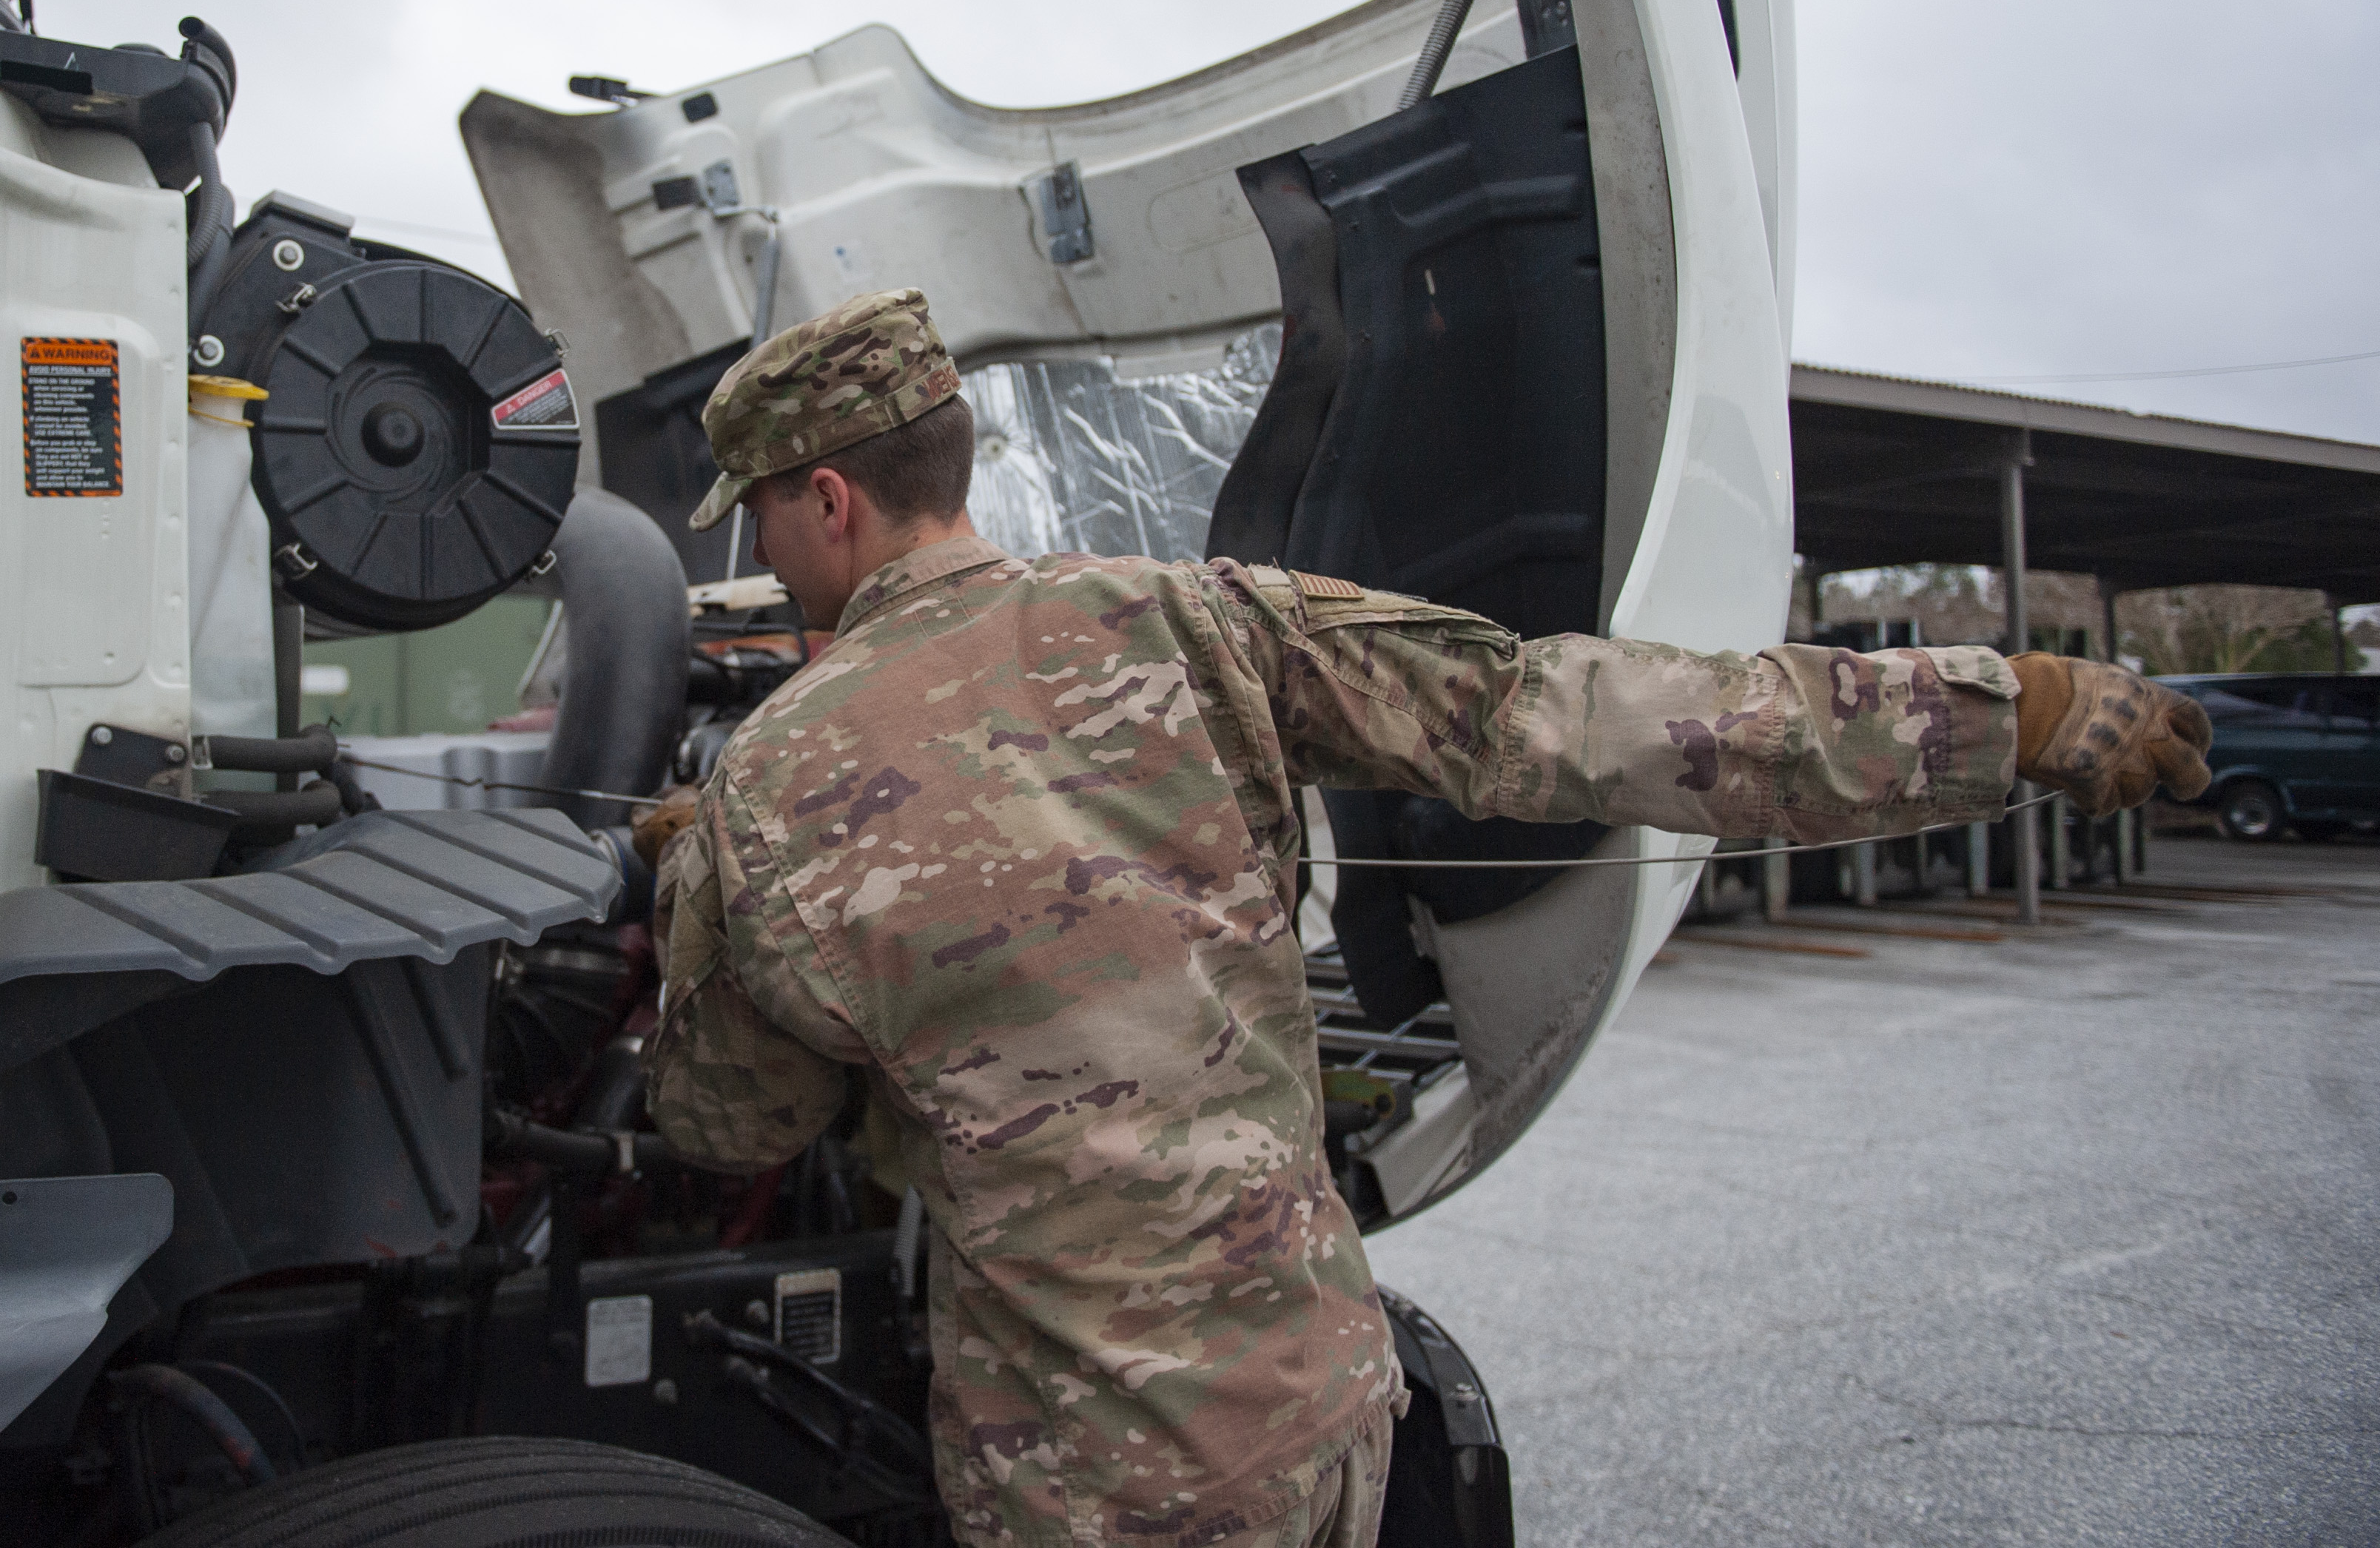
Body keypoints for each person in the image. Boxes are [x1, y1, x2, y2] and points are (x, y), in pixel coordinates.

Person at [636, 288, 2213, 1548]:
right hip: (1332, 1409)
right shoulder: (1199, 617)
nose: (756, 551)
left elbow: (733, 1120)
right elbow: (1574, 713)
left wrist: (697, 885)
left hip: (1090, 1477)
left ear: (827, 498)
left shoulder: (779, 770)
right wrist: (2010, 709)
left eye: (757, 516)